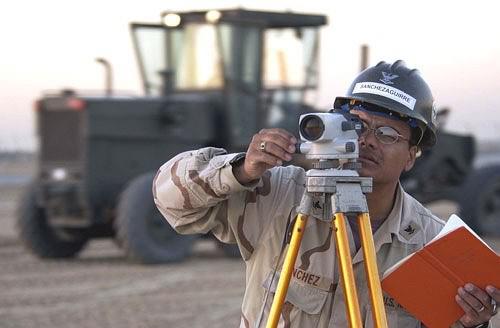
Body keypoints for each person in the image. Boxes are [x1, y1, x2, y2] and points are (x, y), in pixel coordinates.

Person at [153, 60, 498, 327]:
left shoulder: (432, 242)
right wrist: (242, 169)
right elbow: (169, 199)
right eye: (357, 124)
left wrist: (468, 321)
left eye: (388, 134)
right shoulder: (280, 194)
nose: (366, 141)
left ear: (412, 155)